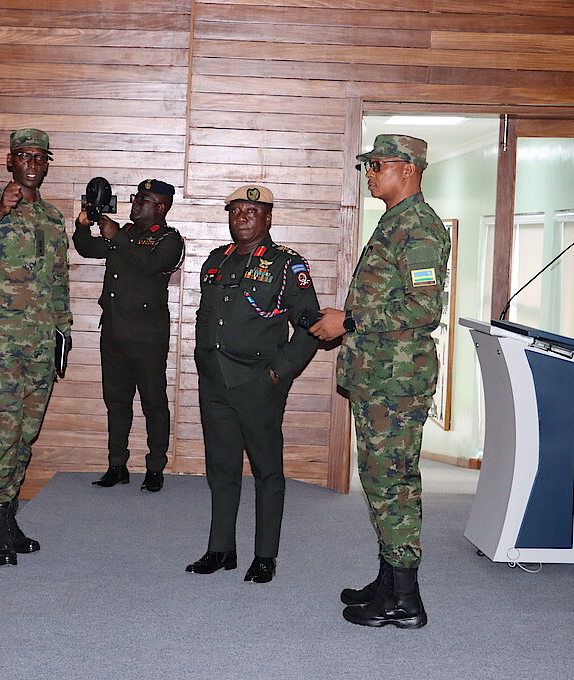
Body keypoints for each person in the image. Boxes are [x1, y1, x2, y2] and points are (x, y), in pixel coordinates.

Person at [309, 134, 450, 627]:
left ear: (408, 169)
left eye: (377, 165)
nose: (369, 174)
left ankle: (405, 601)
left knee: (393, 483)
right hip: (379, 377)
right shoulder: (395, 220)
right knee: (380, 479)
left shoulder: (420, 227)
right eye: (366, 167)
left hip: (397, 382)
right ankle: (390, 579)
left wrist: (348, 321)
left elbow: (423, 307)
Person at [186, 185, 319, 584]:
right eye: (236, 210)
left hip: (258, 383)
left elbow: (310, 326)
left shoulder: (286, 264)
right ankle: (221, 548)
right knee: (221, 468)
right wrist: (203, 360)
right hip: (215, 381)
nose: (242, 217)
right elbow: (207, 316)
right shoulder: (216, 260)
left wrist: (278, 374)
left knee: (267, 471)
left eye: (252, 211)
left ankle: (265, 556)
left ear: (268, 218)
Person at [0, 128, 72, 567]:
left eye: (40, 157)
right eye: (24, 156)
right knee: (3, 431)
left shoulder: (53, 218)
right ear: (10, 161)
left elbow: (58, 279)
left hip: (40, 342)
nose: (32, 164)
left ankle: (6, 521)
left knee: (26, 433)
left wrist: (63, 330)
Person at [72, 179, 185, 492]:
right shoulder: (126, 234)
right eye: (136, 196)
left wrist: (118, 237)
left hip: (147, 338)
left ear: (160, 206)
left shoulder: (169, 239)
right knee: (116, 403)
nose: (135, 202)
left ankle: (155, 467)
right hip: (114, 332)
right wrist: (83, 226)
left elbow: (152, 265)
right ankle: (117, 465)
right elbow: (88, 249)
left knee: (153, 404)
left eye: (143, 199)